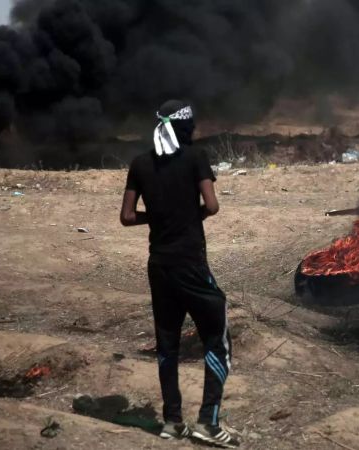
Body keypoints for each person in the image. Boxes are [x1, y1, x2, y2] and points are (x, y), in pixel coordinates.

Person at [120, 99, 238, 448]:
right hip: (190, 264)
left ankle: (172, 422)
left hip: (159, 266)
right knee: (218, 340)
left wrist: (157, 217)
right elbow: (212, 206)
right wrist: (188, 214)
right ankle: (208, 423)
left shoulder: (140, 164)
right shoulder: (195, 158)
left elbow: (127, 216)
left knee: (167, 346)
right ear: (187, 127)